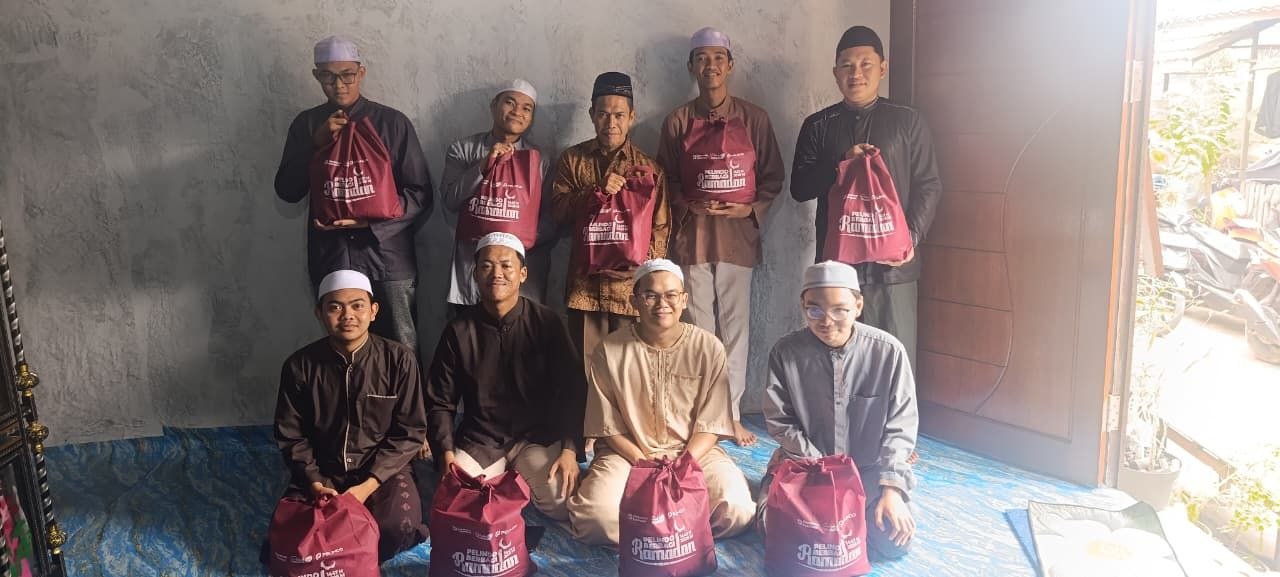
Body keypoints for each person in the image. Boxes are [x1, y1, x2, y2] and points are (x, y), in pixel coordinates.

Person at [656, 26, 785, 446]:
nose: (709, 66)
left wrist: (748, 209)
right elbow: (666, 179)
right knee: (697, 328)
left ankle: (729, 415)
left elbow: (772, 177)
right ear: (690, 66)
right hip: (692, 236)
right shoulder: (677, 120)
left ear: (730, 65)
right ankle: (699, 416)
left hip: (736, 238)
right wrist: (687, 204)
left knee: (735, 330)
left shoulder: (754, 118)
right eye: (701, 59)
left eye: (717, 58)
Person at [566, 259, 755, 545]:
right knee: (596, 520)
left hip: (694, 452)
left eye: (670, 295)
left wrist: (683, 464)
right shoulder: (610, 349)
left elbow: (711, 423)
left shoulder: (708, 347)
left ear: (684, 300)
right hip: (628, 453)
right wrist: (643, 461)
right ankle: (676, 523)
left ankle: (656, 523)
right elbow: (608, 425)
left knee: (737, 511)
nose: (661, 304)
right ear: (634, 301)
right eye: (650, 295)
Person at [790, 25, 941, 369]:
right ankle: (839, 424)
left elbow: (929, 184)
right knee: (838, 359)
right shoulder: (818, 125)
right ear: (835, 71)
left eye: (865, 64)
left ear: (882, 68)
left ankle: (895, 426)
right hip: (839, 267)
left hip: (893, 270)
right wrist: (841, 163)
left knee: (894, 360)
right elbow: (800, 188)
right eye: (846, 65)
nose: (855, 73)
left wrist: (911, 239)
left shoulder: (908, 121)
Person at [274, 35, 433, 352]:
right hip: (331, 257)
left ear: (361, 73)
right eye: (328, 76)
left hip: (388, 259)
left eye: (347, 74)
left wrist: (371, 225)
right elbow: (288, 191)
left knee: (400, 349)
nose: (339, 84)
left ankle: (404, 405)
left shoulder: (392, 123)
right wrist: (314, 144)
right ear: (317, 75)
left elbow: (420, 193)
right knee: (341, 350)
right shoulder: (306, 125)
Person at [760, 260, 918, 560]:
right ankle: (771, 485)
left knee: (893, 542)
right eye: (814, 309)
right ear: (803, 305)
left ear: (858, 305)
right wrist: (823, 472)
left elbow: (900, 425)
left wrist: (893, 490)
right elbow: (780, 421)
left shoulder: (888, 352)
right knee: (779, 535)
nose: (826, 320)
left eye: (840, 310)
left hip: (867, 471)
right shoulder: (786, 353)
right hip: (805, 464)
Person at [425, 232, 586, 519]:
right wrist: (446, 453)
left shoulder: (547, 322)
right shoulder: (459, 330)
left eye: (505, 265)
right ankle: (503, 478)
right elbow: (440, 400)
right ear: (474, 274)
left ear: (523, 273)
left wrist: (570, 449)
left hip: (536, 436)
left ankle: (515, 476)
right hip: (481, 439)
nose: (496, 273)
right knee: (458, 502)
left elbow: (573, 389)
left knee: (561, 501)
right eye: (486, 266)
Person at [271, 269, 429, 562]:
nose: (348, 315)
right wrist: (316, 482)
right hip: (322, 469)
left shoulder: (399, 359)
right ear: (320, 313)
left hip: (382, 471)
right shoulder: (299, 366)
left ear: (373, 310)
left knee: (397, 529)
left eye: (357, 305)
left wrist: (368, 486)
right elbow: (291, 434)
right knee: (292, 539)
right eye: (335, 306)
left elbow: (409, 432)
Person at [549, 71, 671, 364]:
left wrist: (638, 270)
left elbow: (661, 230)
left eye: (619, 115)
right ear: (592, 115)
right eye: (603, 114)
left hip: (630, 294)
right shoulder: (572, 160)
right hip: (583, 290)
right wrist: (594, 192)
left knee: (628, 376)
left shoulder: (649, 169)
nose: (611, 123)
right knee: (585, 376)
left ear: (631, 116)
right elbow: (558, 214)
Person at [440, 80, 557, 308]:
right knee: (469, 336)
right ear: (494, 106)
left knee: (520, 338)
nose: (517, 112)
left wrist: (513, 243)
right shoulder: (463, 149)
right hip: (471, 267)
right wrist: (482, 167)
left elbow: (552, 219)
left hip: (522, 273)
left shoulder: (541, 160)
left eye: (526, 108)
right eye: (510, 103)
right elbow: (450, 200)